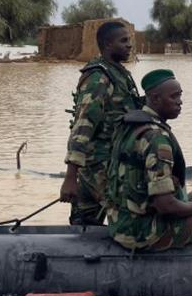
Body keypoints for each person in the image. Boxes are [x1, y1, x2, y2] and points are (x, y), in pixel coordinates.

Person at [104, 69, 192, 251]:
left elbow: (138, 186)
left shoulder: (129, 126)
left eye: (180, 96)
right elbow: (165, 206)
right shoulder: (157, 139)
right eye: (174, 97)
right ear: (155, 98)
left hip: (118, 223)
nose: (180, 102)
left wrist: (186, 200)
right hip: (143, 233)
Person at [61, 21, 143, 226]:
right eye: (123, 41)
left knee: (87, 220)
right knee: (127, 217)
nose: (129, 45)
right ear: (108, 44)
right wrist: (70, 177)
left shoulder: (119, 74)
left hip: (112, 161)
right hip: (98, 166)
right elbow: (83, 126)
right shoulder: (99, 78)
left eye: (129, 40)